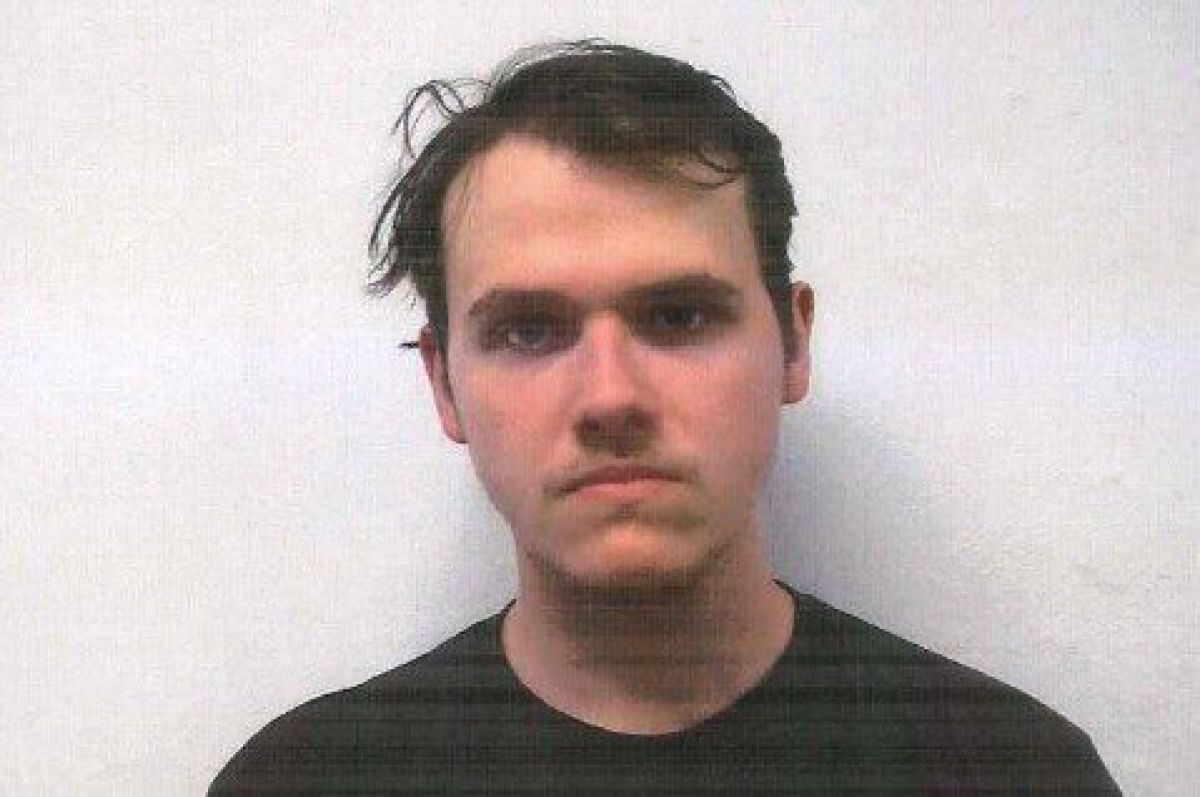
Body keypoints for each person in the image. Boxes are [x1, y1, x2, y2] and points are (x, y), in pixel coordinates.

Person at [210, 41, 1119, 793]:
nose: (611, 397)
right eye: (528, 331)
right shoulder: (302, 780)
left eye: (679, 316)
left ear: (792, 345)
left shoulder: (1016, 771)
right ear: (444, 384)